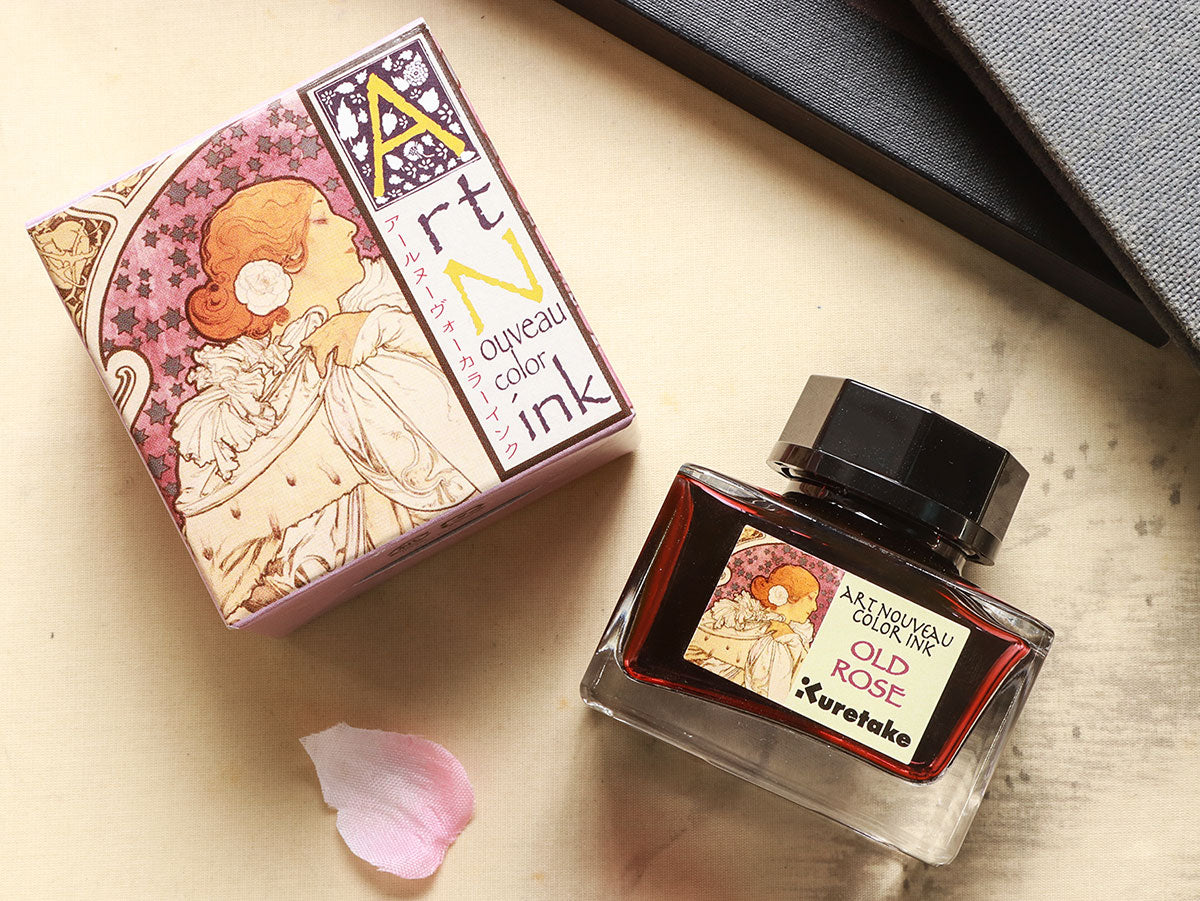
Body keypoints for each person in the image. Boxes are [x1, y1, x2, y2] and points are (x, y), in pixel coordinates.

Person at [170, 177, 492, 622]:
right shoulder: (233, 412)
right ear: (274, 269)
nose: (350, 227)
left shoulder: (382, 325)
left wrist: (375, 327)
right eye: (322, 220)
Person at [685, 563, 820, 703]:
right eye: (810, 598)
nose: (815, 607)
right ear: (789, 596)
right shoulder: (772, 641)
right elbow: (775, 697)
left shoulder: (786, 636)